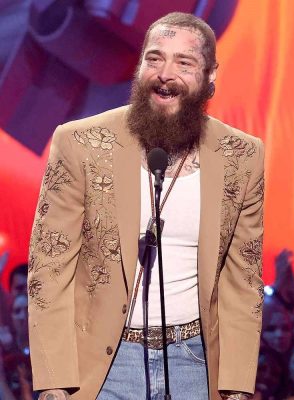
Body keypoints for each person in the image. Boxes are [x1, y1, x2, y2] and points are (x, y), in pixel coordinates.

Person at [27, 12, 264, 400]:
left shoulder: (243, 155)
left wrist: (237, 385)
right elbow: (49, 268)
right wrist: (54, 381)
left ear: (210, 76)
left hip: (196, 363)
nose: (164, 73)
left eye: (183, 63)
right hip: (103, 365)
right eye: (154, 59)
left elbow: (244, 280)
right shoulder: (81, 143)